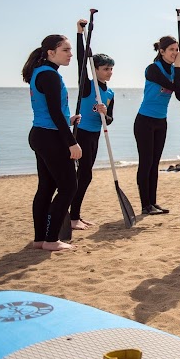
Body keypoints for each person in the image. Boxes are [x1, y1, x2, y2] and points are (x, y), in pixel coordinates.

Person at [21, 34, 82, 252]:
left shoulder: (42, 72)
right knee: (69, 187)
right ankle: (51, 238)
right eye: (65, 50)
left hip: (41, 133)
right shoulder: (50, 76)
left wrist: (69, 119)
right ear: (50, 52)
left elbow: (51, 111)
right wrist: (72, 142)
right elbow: (55, 112)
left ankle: (40, 239)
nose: (70, 54)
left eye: (70, 50)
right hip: (50, 136)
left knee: (46, 187)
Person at [70, 19, 115, 230]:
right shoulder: (88, 86)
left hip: (95, 136)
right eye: (105, 69)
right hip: (80, 134)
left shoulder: (109, 93)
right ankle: (73, 217)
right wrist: (80, 34)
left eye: (111, 69)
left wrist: (105, 114)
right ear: (95, 69)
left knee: (85, 175)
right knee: (83, 175)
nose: (109, 72)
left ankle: (74, 215)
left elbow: (110, 120)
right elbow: (82, 60)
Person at [134, 35, 180, 215]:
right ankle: (145, 205)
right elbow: (169, 86)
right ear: (162, 51)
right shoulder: (152, 69)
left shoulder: (174, 70)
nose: (174, 53)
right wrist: (178, 71)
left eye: (176, 49)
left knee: (154, 163)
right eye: (171, 49)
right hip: (145, 121)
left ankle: (153, 203)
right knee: (146, 162)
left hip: (161, 122)